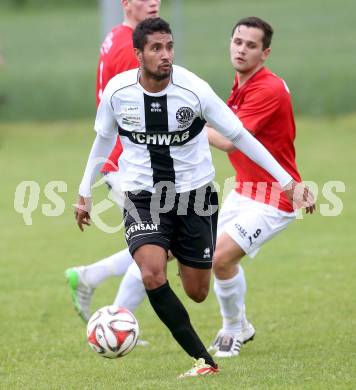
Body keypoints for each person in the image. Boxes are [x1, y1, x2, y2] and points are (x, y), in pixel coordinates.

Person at [74, 17, 312, 377]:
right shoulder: (118, 92)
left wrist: (288, 181)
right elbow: (103, 141)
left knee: (197, 290)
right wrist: (83, 193)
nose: (166, 54)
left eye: (169, 46)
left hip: (196, 197)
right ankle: (204, 359)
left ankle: (229, 325)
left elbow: (241, 138)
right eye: (156, 48)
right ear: (138, 54)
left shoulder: (194, 90)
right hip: (144, 196)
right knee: (152, 272)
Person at [206, 16, 315, 358]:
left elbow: (227, 141)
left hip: (275, 199)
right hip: (244, 190)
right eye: (238, 42)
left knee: (220, 259)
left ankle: (233, 328)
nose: (241, 49)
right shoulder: (240, 84)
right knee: (208, 257)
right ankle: (241, 325)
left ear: (264, 53)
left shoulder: (267, 88)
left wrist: (184, 126)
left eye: (251, 45)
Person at [65, 0, 161, 328]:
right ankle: (114, 320)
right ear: (125, 3)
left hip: (124, 161)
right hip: (126, 162)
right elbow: (134, 111)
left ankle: (91, 279)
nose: (153, 2)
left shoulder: (119, 35)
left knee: (162, 241)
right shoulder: (128, 46)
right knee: (158, 243)